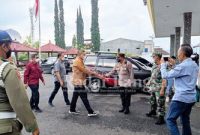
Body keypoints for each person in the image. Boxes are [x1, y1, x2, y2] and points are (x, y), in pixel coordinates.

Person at [0, 30, 39, 135]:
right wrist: (33, 127)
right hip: (5, 127)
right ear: (4, 46)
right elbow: (19, 102)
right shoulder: (6, 69)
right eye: (9, 45)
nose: (10, 49)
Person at [161, 45, 198, 135]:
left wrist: (163, 64)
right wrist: (174, 65)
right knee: (185, 120)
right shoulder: (194, 64)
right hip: (191, 98)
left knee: (170, 119)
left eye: (178, 52)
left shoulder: (182, 67)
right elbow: (182, 72)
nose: (177, 55)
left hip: (181, 98)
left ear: (183, 54)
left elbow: (165, 75)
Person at [69, 50, 104, 117]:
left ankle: (72, 109)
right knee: (84, 97)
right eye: (84, 55)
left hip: (78, 82)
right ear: (80, 54)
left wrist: (92, 70)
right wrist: (98, 75)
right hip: (78, 82)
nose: (84, 56)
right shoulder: (77, 61)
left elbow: (85, 68)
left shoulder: (79, 60)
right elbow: (85, 70)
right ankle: (90, 112)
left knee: (75, 97)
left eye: (85, 54)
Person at [146, 52, 166, 125]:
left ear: (157, 57)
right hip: (153, 86)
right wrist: (149, 82)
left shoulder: (163, 66)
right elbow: (153, 75)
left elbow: (165, 78)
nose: (152, 58)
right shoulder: (154, 65)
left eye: (153, 56)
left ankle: (161, 118)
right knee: (152, 100)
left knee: (160, 103)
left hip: (159, 87)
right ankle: (153, 111)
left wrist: (162, 89)